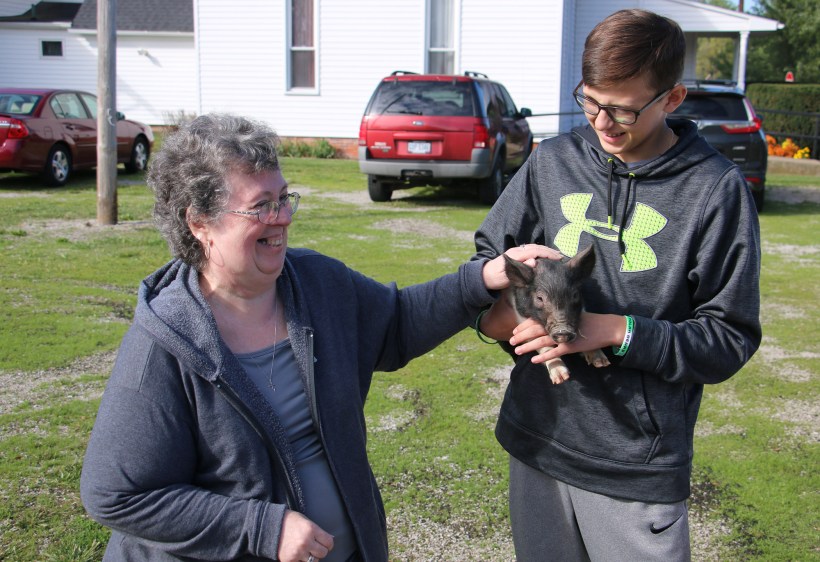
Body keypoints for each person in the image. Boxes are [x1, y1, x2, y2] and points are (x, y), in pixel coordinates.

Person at [79, 113, 553, 561]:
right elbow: (116, 493)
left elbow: (397, 323)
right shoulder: (165, 344)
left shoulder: (316, 284)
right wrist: (263, 528)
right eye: (260, 206)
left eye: (283, 198)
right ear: (199, 222)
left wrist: (481, 279)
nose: (282, 217)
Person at [473, 9, 761, 561]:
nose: (602, 122)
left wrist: (611, 331)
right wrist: (514, 315)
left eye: (624, 109)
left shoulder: (714, 191)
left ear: (672, 99)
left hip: (636, 466)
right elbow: (489, 264)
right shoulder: (550, 161)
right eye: (590, 101)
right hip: (537, 439)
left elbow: (729, 338)